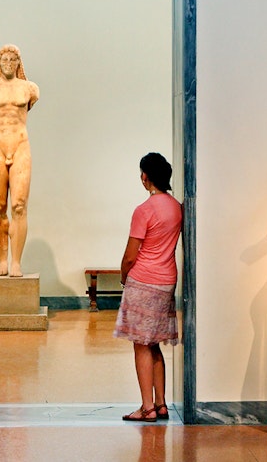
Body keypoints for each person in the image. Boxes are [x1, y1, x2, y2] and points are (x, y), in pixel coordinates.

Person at [114, 153, 182, 423]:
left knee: (141, 345)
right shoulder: (176, 207)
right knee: (154, 344)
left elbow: (131, 255)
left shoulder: (144, 210)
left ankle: (146, 408)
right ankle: (161, 404)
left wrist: (123, 276)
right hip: (167, 280)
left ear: (145, 177)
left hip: (144, 281)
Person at [0, 44, 40, 277]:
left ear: (19, 63)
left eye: (13, 60)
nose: (8, 64)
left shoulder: (29, 88)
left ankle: (16, 263)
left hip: (20, 144)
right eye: (4, 60)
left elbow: (31, 102)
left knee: (19, 206)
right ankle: (2, 260)